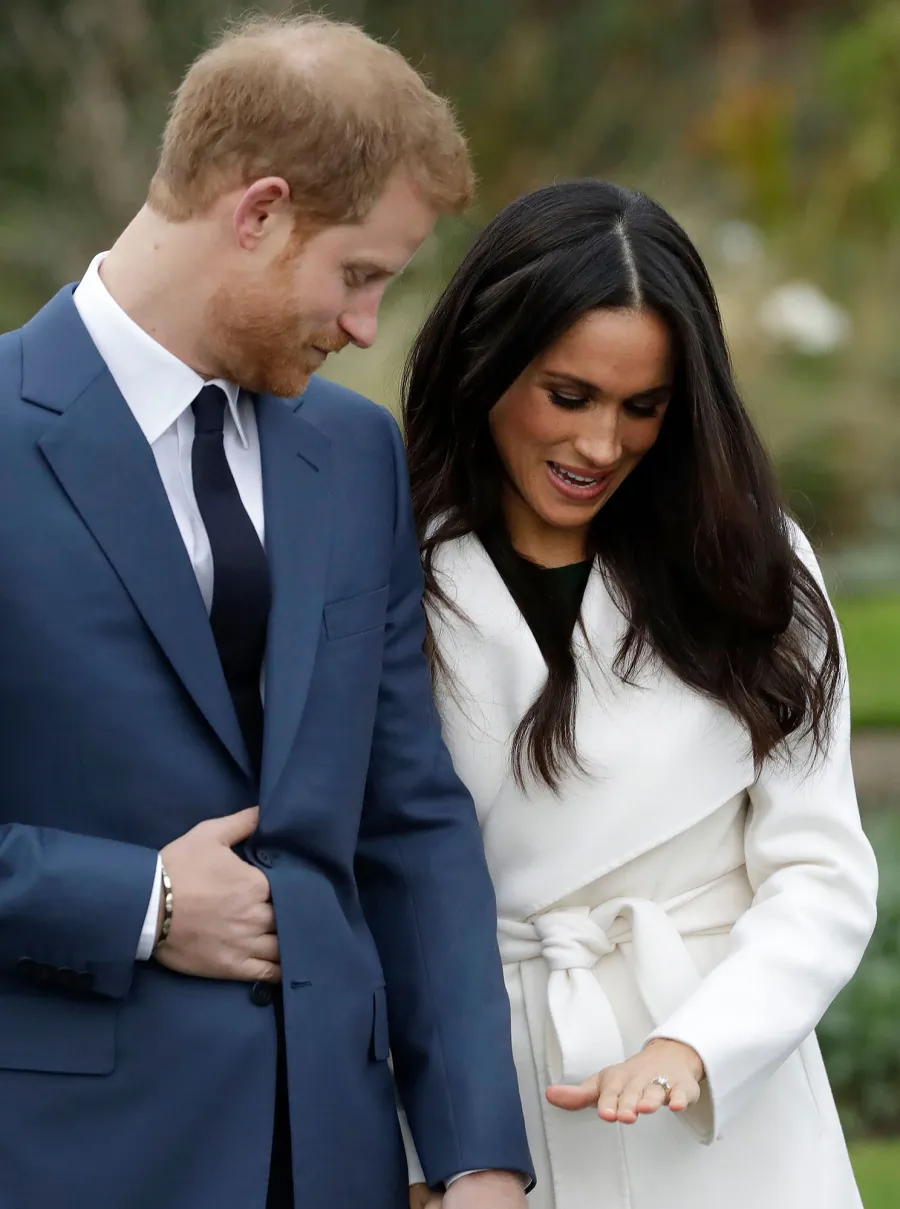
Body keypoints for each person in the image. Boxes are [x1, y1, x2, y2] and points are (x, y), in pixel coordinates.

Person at [0, 15, 533, 1209]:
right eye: (359, 275)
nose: (363, 328)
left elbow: (410, 818)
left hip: (332, 1156)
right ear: (259, 211)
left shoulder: (353, 454)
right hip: (66, 1157)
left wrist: (477, 1153)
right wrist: (139, 905)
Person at [401, 179, 878, 1209]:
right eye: (567, 397)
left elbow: (822, 873)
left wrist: (699, 1044)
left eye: (642, 408)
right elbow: (372, 888)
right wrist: (420, 1149)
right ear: (484, 366)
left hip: (727, 1107)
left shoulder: (752, 570)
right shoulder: (394, 574)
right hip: (493, 1108)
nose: (601, 447)